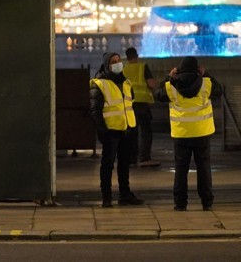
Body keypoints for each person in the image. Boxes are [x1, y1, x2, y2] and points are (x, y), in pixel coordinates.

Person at [154, 56, 223, 211]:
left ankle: (180, 203)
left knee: (181, 170)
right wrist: (206, 74)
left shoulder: (172, 85)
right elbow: (219, 90)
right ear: (197, 68)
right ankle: (207, 202)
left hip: (181, 134)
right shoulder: (206, 84)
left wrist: (169, 76)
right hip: (202, 133)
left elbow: (157, 94)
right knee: (204, 168)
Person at [89, 51, 144, 208]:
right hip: (110, 131)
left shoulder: (126, 82)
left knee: (124, 164)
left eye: (119, 61)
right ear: (107, 64)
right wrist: (102, 131)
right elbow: (95, 111)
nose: (117, 64)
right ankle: (107, 197)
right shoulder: (99, 83)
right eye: (113, 62)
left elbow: (129, 104)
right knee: (107, 165)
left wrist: (133, 125)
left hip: (126, 129)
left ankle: (125, 194)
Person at [122, 47, 160, 167]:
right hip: (142, 104)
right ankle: (144, 158)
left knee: (131, 132)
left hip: (128, 105)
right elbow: (151, 84)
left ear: (127, 57)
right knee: (146, 131)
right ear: (136, 56)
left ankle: (131, 159)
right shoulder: (142, 67)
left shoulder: (123, 69)